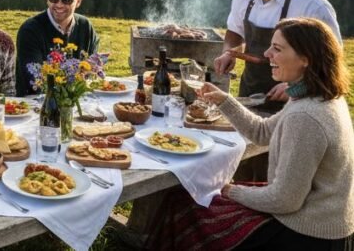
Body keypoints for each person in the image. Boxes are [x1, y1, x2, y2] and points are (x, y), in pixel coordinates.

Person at [147, 17, 353, 250]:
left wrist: (228, 190)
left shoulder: (305, 116)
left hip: (306, 234)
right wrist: (224, 100)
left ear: (306, 59)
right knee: (192, 198)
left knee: (188, 206)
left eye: (277, 48)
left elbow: (284, 200)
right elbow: (262, 132)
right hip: (317, 220)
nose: (266, 54)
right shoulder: (318, 97)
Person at [213, 0, 340, 111]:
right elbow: (235, 31)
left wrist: (297, 88)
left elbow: (332, 66)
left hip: (297, 106)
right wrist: (229, 52)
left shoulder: (313, 7)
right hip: (248, 99)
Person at [15, 0, 100, 95]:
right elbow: (35, 81)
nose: (59, 5)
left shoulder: (86, 27)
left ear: (79, 1)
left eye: (66, 0)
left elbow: (92, 71)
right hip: (35, 105)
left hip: (78, 101)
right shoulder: (30, 30)